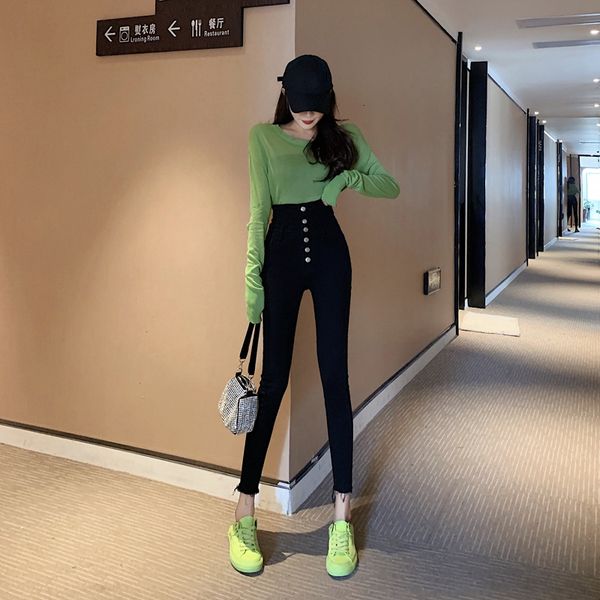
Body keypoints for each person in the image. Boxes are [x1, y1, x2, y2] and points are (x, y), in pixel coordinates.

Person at [227, 54, 400, 578]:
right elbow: (258, 212)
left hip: (329, 255)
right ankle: (244, 510)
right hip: (280, 254)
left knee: (333, 377)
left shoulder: (343, 138)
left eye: (317, 107)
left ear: (328, 99)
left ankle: (341, 518)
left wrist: (344, 182)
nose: (309, 116)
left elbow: (388, 184)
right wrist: (252, 279)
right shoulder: (262, 138)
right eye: (301, 106)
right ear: (287, 97)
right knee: (273, 381)